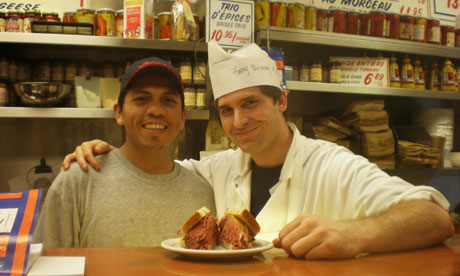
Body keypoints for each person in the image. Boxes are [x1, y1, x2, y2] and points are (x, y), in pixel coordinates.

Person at [62, 42, 454, 258]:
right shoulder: (215, 169)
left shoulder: (334, 165)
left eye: (251, 104)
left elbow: (435, 218)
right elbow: (155, 164)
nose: (238, 122)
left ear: (281, 101)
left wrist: (355, 235)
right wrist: (107, 153)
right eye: (226, 110)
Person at [33, 57, 216, 248]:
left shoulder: (201, 193)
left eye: (168, 100)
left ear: (182, 117)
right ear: (119, 112)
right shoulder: (77, 181)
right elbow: (43, 266)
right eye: (141, 99)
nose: (155, 110)